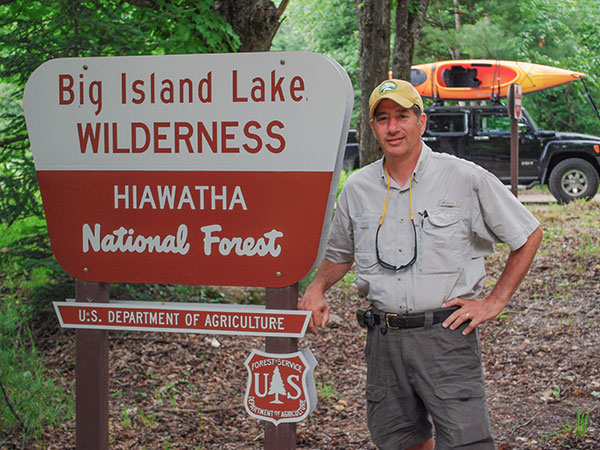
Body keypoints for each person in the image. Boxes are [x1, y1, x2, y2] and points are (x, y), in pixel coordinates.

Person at [298, 79, 542, 449]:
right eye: (382, 119)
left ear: (421, 122)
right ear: (373, 128)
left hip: (445, 336)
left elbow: (527, 234)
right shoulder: (358, 188)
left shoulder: (463, 178)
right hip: (383, 340)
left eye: (402, 116)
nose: (392, 127)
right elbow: (340, 254)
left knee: (465, 442)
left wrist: (495, 301)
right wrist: (316, 288)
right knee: (400, 441)